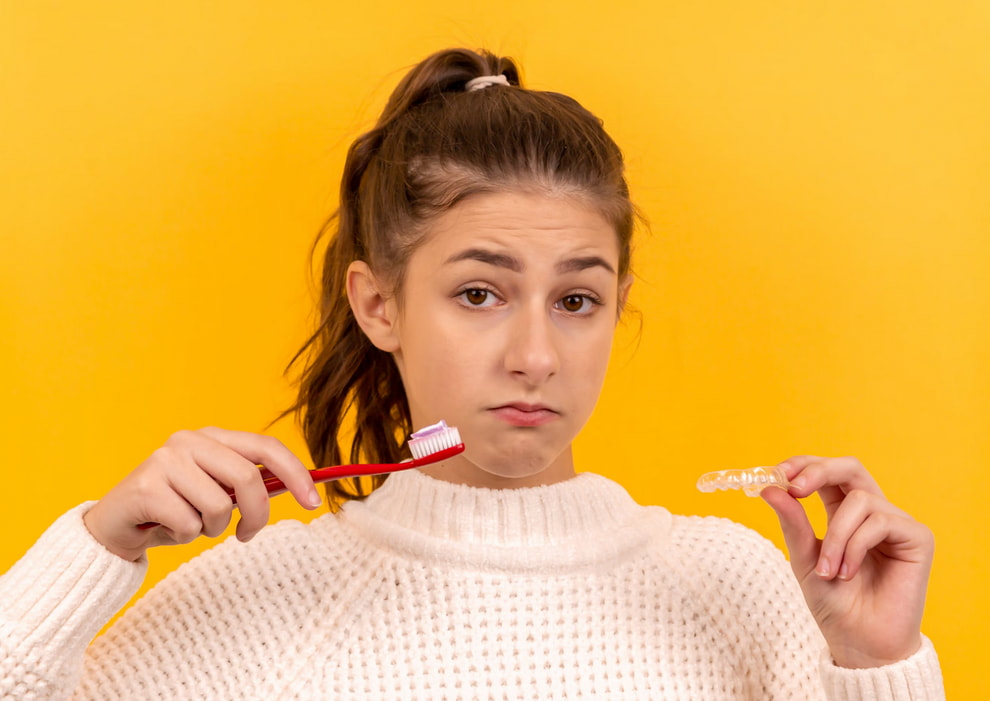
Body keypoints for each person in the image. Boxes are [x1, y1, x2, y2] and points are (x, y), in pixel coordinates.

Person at [0, 48, 944, 700]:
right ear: (378, 306)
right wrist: (93, 549)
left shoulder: (748, 587)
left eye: (576, 301)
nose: (536, 355)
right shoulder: (263, 595)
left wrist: (875, 660)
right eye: (481, 294)